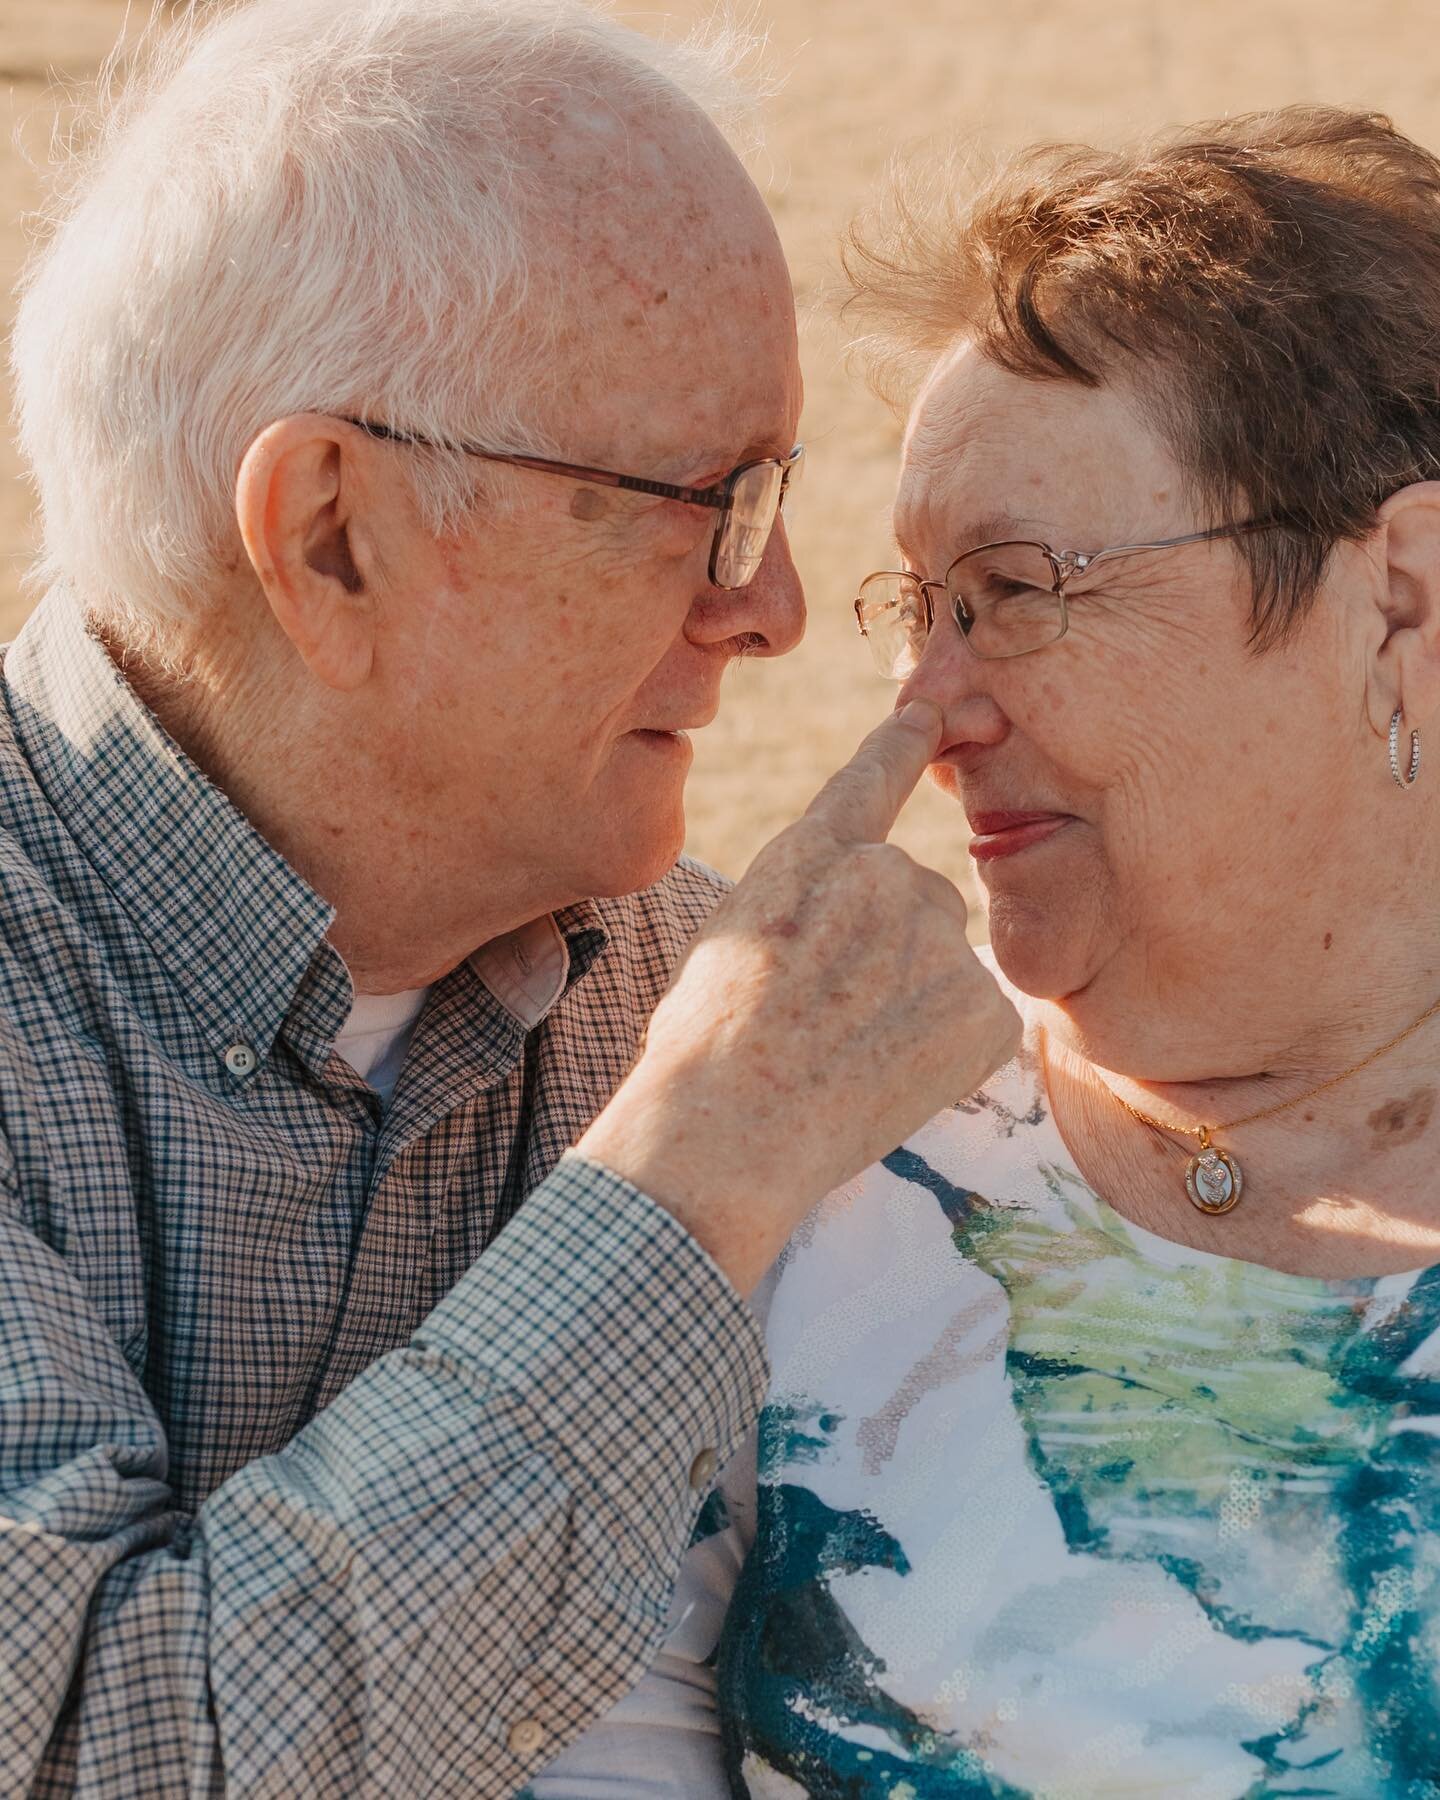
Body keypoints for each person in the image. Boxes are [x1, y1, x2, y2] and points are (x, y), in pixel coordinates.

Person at [0, 0, 1021, 1792]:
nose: (772, 605)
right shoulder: (733, 1084)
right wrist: (702, 1167)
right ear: (332, 534)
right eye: (703, 498)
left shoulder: (692, 979)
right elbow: (101, 1748)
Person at [530, 106, 1440, 1798]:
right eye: (919, 609)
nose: (929, 715)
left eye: (1016, 592)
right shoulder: (801, 1152)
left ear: (1397, 598)